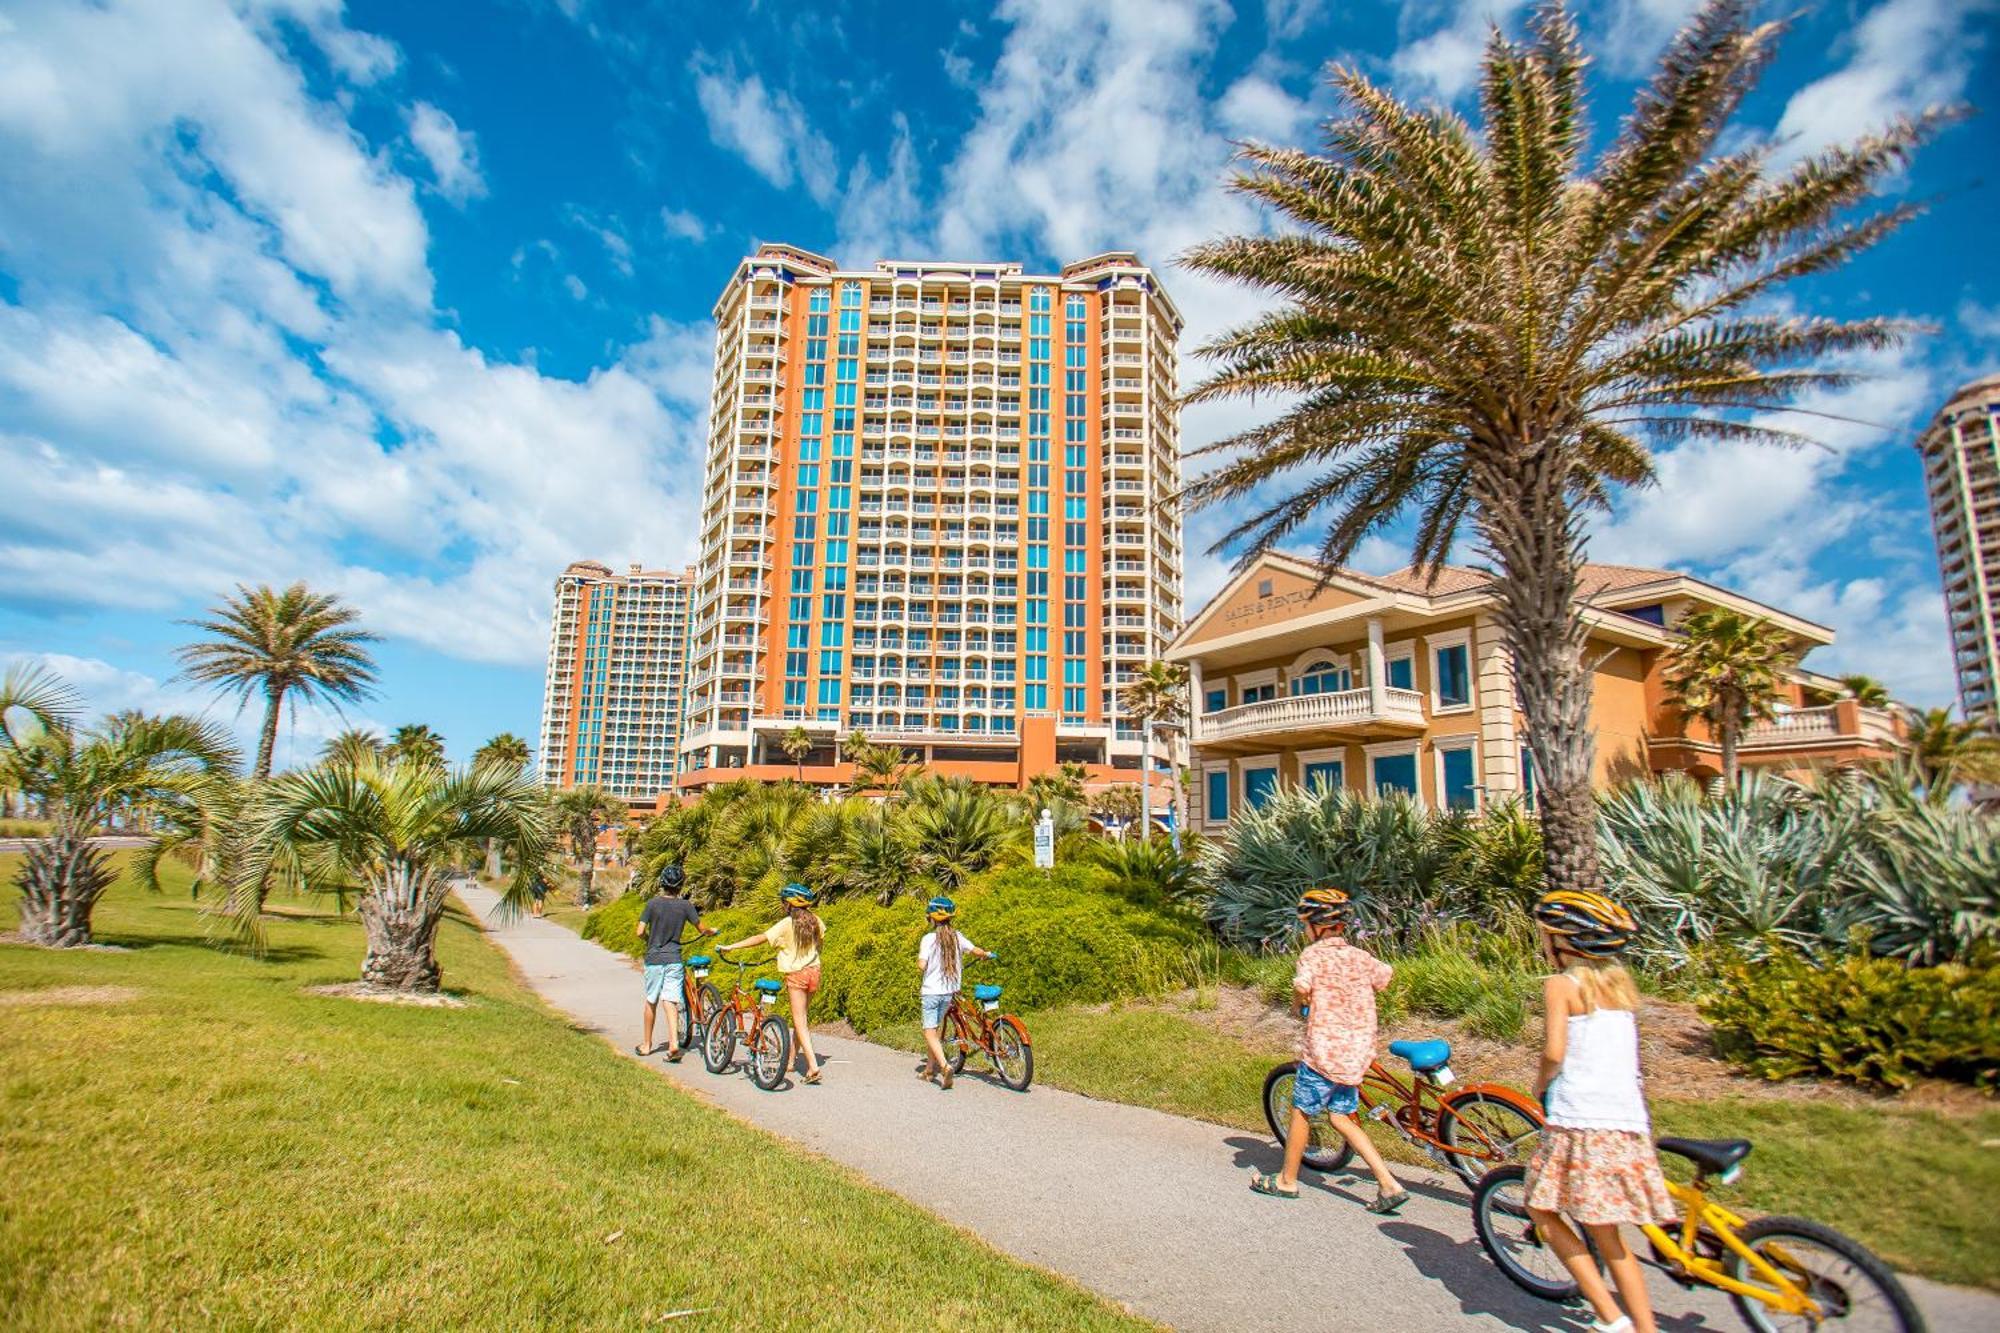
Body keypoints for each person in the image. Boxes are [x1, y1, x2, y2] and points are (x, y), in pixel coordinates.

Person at [1522, 889, 1671, 1333]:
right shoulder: (1620, 988)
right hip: (1625, 1122)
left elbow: (1554, 1051)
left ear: (1562, 943)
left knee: (1541, 1208)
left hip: (1578, 1120)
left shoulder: (1561, 985)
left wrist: (1540, 1083)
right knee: (1609, 1235)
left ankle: (1610, 1315)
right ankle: (1644, 1326)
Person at [1252, 887, 1409, 1214]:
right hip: (1357, 1052)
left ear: (1316, 926)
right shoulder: (1360, 956)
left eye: (1305, 923)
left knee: (1301, 1111)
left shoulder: (1312, 956)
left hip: (1324, 1052)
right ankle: (1388, 1183)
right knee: (1341, 1116)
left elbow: (1301, 986)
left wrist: (1300, 1003)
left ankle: (1286, 1180)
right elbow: (1385, 976)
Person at [717, 883, 827, 1084]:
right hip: (814, 972)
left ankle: (813, 1067)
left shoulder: (787, 923)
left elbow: (761, 938)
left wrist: (732, 946)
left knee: (800, 1021)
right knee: (801, 1019)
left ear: (788, 904)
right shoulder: (816, 921)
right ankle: (791, 1061)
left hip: (796, 975)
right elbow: (820, 945)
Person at [634, 863, 715, 1061]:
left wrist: (649, 940)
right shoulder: (685, 906)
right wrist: (711, 931)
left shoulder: (652, 904)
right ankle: (673, 1043)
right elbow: (701, 928)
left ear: (662, 883)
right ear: (681, 885)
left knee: (651, 1000)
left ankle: (646, 1045)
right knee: (670, 1000)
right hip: (674, 959)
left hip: (654, 958)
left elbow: (639, 931)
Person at [915, 896, 995, 1090]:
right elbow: (975, 950)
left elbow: (921, 965)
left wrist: (922, 964)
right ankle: (929, 1070)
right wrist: (985, 954)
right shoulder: (957, 937)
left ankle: (944, 1066)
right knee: (933, 1031)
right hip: (948, 993)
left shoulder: (928, 939)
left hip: (931, 992)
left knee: (929, 1031)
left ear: (932, 919)